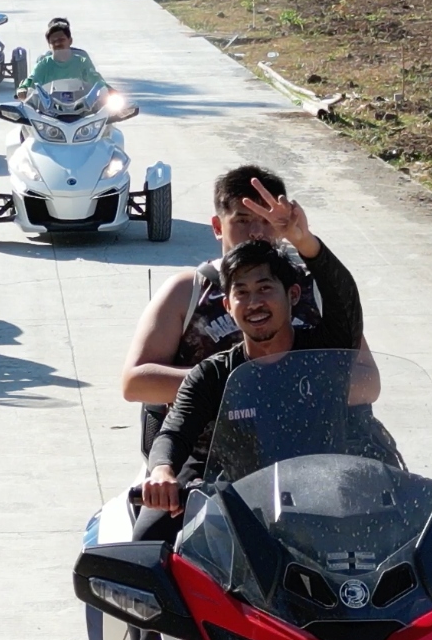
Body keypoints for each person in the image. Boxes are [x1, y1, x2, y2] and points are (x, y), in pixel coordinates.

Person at [119, 166, 360, 449]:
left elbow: (368, 380)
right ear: (218, 227)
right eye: (243, 220)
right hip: (205, 458)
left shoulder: (312, 288)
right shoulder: (187, 291)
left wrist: (296, 381)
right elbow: (135, 382)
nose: (256, 233)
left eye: (267, 221)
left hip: (306, 454)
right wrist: (234, 383)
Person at [141, 237, 365, 522]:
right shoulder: (212, 375)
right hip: (243, 518)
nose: (254, 303)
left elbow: (345, 299)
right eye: (242, 293)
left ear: (293, 295)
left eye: (264, 288)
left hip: (330, 510)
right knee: (147, 539)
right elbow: (174, 432)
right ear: (227, 305)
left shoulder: (326, 353)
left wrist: (307, 243)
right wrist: (162, 470)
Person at [19, 17, 105, 97]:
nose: (57, 43)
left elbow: (95, 78)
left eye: (61, 40)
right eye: (53, 41)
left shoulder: (82, 62)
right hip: (49, 107)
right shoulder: (44, 64)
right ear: (49, 45)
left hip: (82, 106)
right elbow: (32, 79)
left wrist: (106, 88)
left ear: (70, 40)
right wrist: (24, 88)